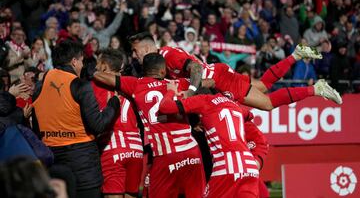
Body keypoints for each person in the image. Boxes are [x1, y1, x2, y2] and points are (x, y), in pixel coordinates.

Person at [128, 32, 342, 111]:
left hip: (221, 80)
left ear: (147, 48)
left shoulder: (168, 56)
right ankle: (295, 55)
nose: (135, 56)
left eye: (136, 52)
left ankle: (316, 89)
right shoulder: (165, 54)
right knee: (264, 86)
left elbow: (195, 68)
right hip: (220, 73)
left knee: (267, 104)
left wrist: (192, 91)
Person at [91, 53, 206, 198]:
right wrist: (191, 90)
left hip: (165, 154)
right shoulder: (177, 83)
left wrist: (97, 70)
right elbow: (203, 76)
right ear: (163, 71)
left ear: (144, 69)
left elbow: (100, 76)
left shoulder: (135, 84)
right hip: (191, 151)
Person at [32, 40, 121, 198]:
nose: (82, 65)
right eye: (81, 61)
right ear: (74, 61)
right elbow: (98, 125)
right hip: (82, 162)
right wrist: (113, 105)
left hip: (52, 158)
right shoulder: (80, 85)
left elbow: (37, 127)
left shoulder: (40, 85)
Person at [158, 85, 262, 198]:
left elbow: (165, 107)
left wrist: (170, 91)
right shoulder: (233, 104)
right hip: (250, 166)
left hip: (227, 165)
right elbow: (249, 115)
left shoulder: (204, 100)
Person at [91, 49, 143, 198]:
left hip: (113, 147)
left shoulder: (94, 85)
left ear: (104, 66)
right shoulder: (132, 83)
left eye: (97, 63)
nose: (95, 67)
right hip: (136, 148)